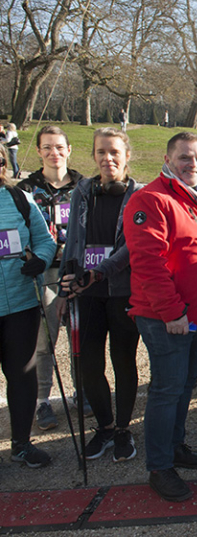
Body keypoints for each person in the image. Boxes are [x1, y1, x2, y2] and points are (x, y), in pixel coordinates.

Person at [123, 133, 197, 502]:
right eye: (185, 157)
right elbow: (148, 264)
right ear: (168, 159)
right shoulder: (151, 199)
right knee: (167, 390)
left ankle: (175, 445)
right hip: (168, 318)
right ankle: (160, 466)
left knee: (185, 385)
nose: (193, 164)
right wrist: (172, 312)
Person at [60, 127, 142, 462]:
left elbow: (131, 248)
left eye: (114, 153)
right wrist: (68, 283)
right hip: (86, 293)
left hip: (122, 291)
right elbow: (73, 240)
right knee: (86, 365)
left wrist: (102, 270)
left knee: (124, 361)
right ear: (93, 156)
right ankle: (105, 426)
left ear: (126, 156)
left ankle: (124, 428)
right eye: (101, 152)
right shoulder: (82, 191)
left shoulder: (138, 195)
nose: (107, 159)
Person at [18, 126, 87, 431]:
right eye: (47, 147)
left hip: (77, 269)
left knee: (79, 337)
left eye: (59, 147)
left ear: (69, 149)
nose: (53, 153)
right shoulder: (26, 188)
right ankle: (42, 401)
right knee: (44, 341)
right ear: (38, 151)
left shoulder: (84, 186)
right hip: (44, 270)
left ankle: (81, 392)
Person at [0, 142, 57, 467]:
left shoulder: (18, 198)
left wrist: (42, 260)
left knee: (22, 375)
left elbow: (44, 241)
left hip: (20, 303)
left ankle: (21, 443)